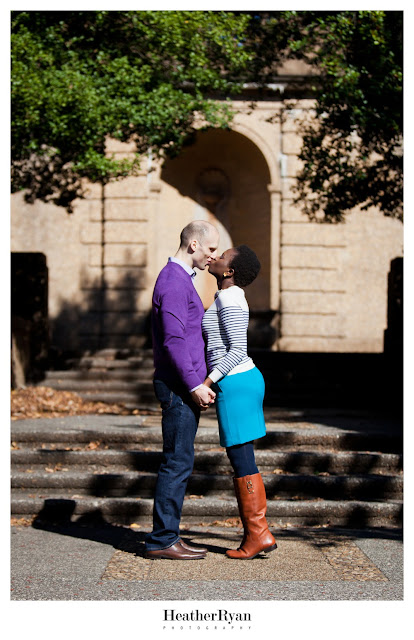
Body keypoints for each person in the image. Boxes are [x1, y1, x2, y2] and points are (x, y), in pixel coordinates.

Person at [145, 220, 219, 560]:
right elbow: (174, 341)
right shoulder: (173, 281)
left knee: (180, 461)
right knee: (176, 462)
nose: (213, 256)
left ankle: (169, 535)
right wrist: (193, 385)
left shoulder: (179, 279)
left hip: (182, 385)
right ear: (193, 245)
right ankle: (162, 540)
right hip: (178, 386)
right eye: (210, 249)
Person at [202, 245, 277, 559]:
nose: (215, 256)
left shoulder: (231, 298)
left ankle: (258, 534)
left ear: (229, 271)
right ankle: (259, 533)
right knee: (241, 458)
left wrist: (208, 382)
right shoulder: (226, 297)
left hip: (236, 382)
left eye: (222, 256)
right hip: (237, 382)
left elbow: (237, 350)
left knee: (242, 459)